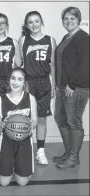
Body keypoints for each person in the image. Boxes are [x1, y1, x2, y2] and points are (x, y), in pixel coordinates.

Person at [18, 11, 57, 165]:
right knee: (26, 118)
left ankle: (40, 151)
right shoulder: (23, 40)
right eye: (30, 22)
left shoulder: (51, 40)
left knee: (41, 119)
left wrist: (54, 84)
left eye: (37, 21)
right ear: (27, 25)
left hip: (44, 83)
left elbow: (52, 65)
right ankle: (23, 150)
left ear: (42, 22)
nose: (34, 25)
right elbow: (18, 63)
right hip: (28, 83)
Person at [53, 7, 89, 169]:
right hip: (63, 87)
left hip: (76, 88)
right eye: (66, 18)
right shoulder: (67, 37)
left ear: (78, 19)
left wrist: (72, 85)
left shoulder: (83, 38)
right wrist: (58, 84)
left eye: (72, 18)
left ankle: (73, 157)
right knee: (61, 119)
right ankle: (69, 153)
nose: (68, 21)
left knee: (73, 122)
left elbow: (86, 65)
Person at [0, 67, 37, 186]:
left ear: (24, 83)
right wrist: (1, 125)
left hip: (24, 141)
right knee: (3, 183)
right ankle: (1, 165)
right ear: (9, 80)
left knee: (22, 182)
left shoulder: (30, 99)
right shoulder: (1, 100)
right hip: (6, 141)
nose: (15, 82)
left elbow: (35, 120)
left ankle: (22, 166)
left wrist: (30, 124)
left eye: (20, 79)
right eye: (13, 78)